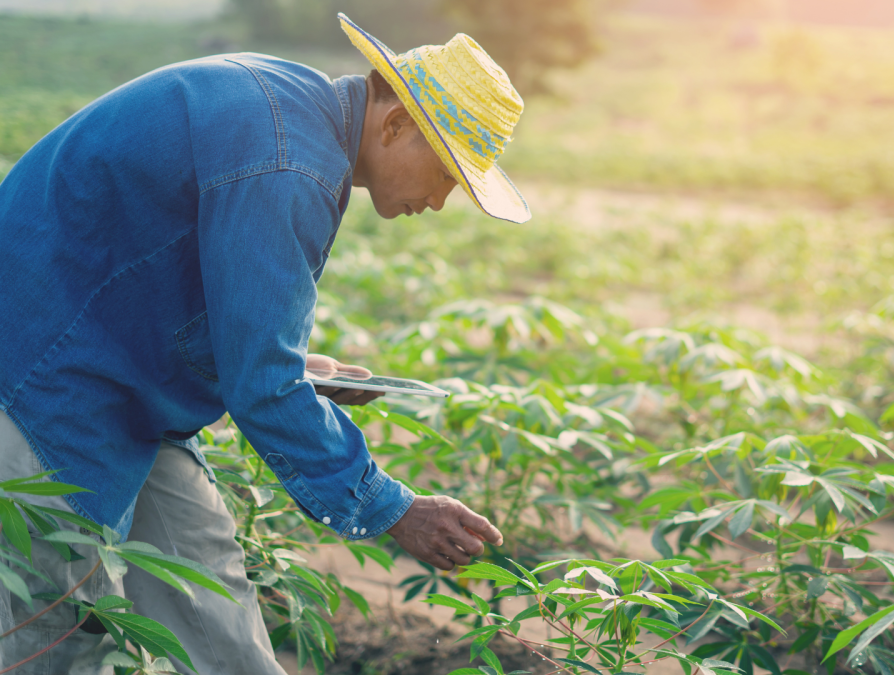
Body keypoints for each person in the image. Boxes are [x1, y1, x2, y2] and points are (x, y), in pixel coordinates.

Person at [0, 14, 530, 675]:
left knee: (209, 599)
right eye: (449, 174)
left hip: (121, 370)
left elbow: (196, 289)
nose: (442, 200)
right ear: (394, 126)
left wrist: (298, 366)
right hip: (45, 370)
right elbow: (262, 386)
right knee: (57, 626)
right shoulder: (291, 162)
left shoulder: (295, 114)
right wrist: (392, 506)